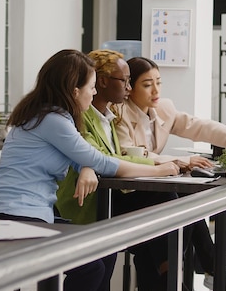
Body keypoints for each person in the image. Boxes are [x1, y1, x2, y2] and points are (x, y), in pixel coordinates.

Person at [0, 49, 179, 291]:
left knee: (104, 250)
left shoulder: (49, 115)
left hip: (35, 214)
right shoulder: (52, 119)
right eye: (92, 87)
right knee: (91, 266)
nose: (95, 92)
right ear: (75, 91)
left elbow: (85, 157)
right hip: (15, 217)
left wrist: (86, 166)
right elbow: (101, 160)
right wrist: (159, 170)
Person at [113, 56, 226, 291]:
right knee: (175, 201)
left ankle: (181, 281)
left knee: (183, 200)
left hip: (151, 193)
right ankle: (209, 270)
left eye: (159, 82)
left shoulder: (163, 108)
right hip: (124, 194)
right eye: (147, 84)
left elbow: (196, 125)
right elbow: (134, 154)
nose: (156, 90)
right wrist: (180, 162)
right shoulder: (118, 113)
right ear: (129, 87)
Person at [56, 49, 154, 225]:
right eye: (124, 81)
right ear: (101, 81)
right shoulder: (79, 117)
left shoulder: (108, 118)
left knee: (179, 202)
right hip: (86, 204)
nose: (129, 88)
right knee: (165, 201)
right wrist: (156, 165)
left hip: (107, 198)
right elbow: (100, 158)